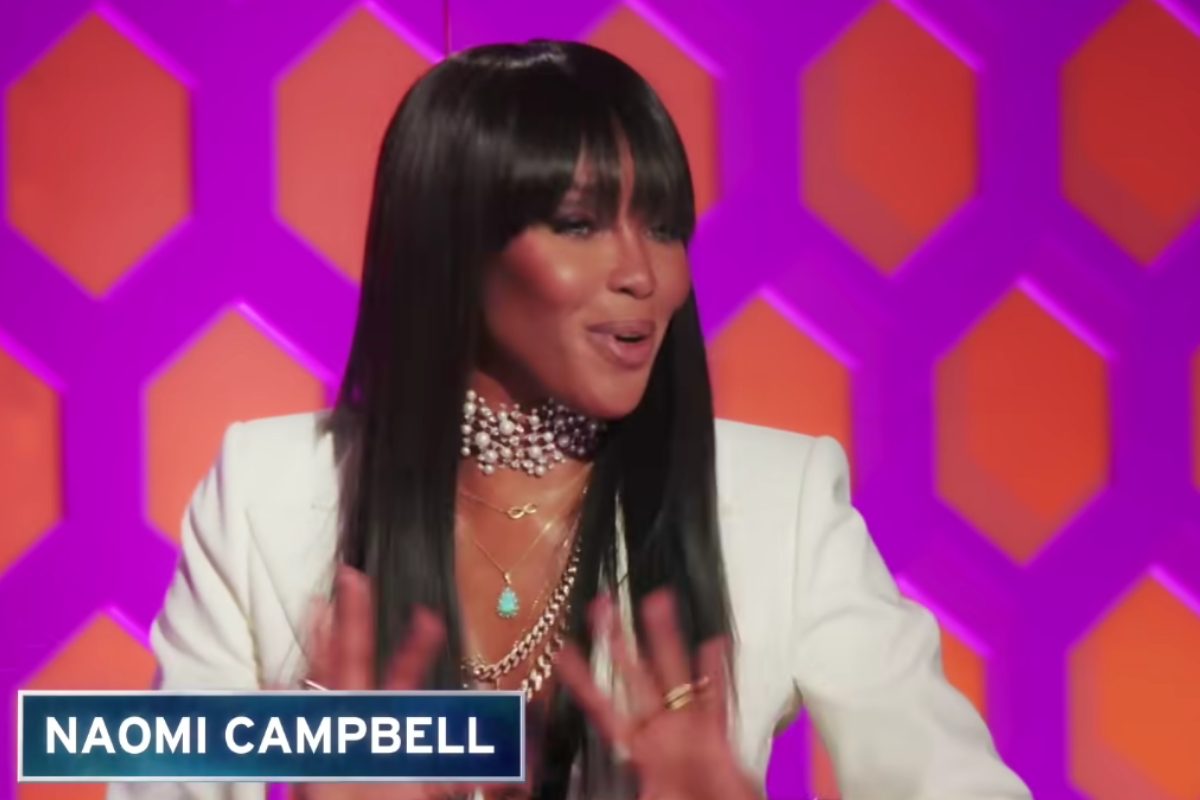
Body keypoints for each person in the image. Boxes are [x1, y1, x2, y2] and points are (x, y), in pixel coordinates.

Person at [108, 40, 1032, 800]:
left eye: (663, 226)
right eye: (581, 224)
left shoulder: (779, 501)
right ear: (453, 247)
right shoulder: (266, 491)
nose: (643, 275)